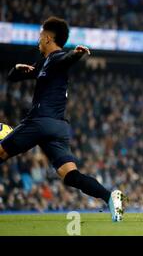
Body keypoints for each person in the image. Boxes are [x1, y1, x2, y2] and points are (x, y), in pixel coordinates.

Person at [0, 17, 125, 222]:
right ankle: (110, 196)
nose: (38, 41)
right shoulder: (44, 63)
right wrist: (17, 68)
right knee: (70, 175)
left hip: (40, 121)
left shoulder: (57, 58)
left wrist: (76, 53)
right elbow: (13, 78)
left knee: (2, 151)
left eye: (40, 37)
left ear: (48, 38)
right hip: (57, 127)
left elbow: (66, 60)